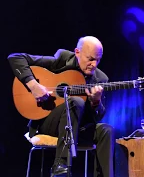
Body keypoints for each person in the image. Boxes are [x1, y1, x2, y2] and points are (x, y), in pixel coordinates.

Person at [8, 36, 115, 177]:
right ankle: (60, 165)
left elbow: (96, 118)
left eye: (98, 59)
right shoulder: (62, 61)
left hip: (77, 128)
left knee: (106, 130)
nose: (94, 64)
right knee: (76, 101)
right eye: (90, 59)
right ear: (77, 52)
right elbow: (15, 58)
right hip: (48, 123)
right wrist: (33, 85)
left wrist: (96, 102)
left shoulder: (100, 79)